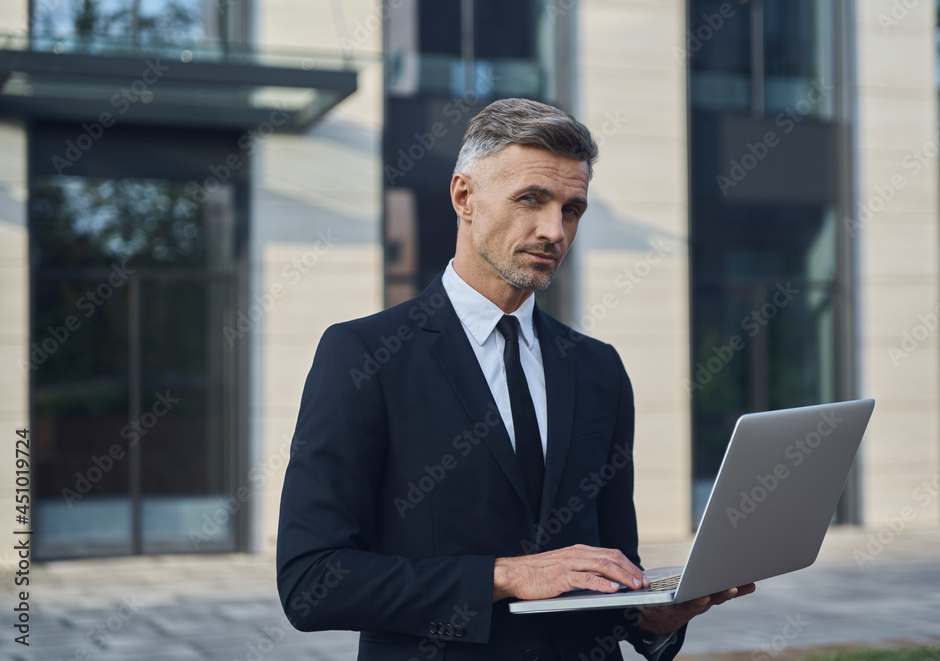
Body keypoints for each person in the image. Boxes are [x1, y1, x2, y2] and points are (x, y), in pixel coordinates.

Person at [276, 97, 753, 661]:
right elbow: (312, 581)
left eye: (572, 210)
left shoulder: (599, 368)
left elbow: (609, 566)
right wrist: (504, 576)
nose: (553, 230)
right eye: (532, 199)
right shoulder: (364, 355)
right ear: (464, 197)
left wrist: (652, 617)